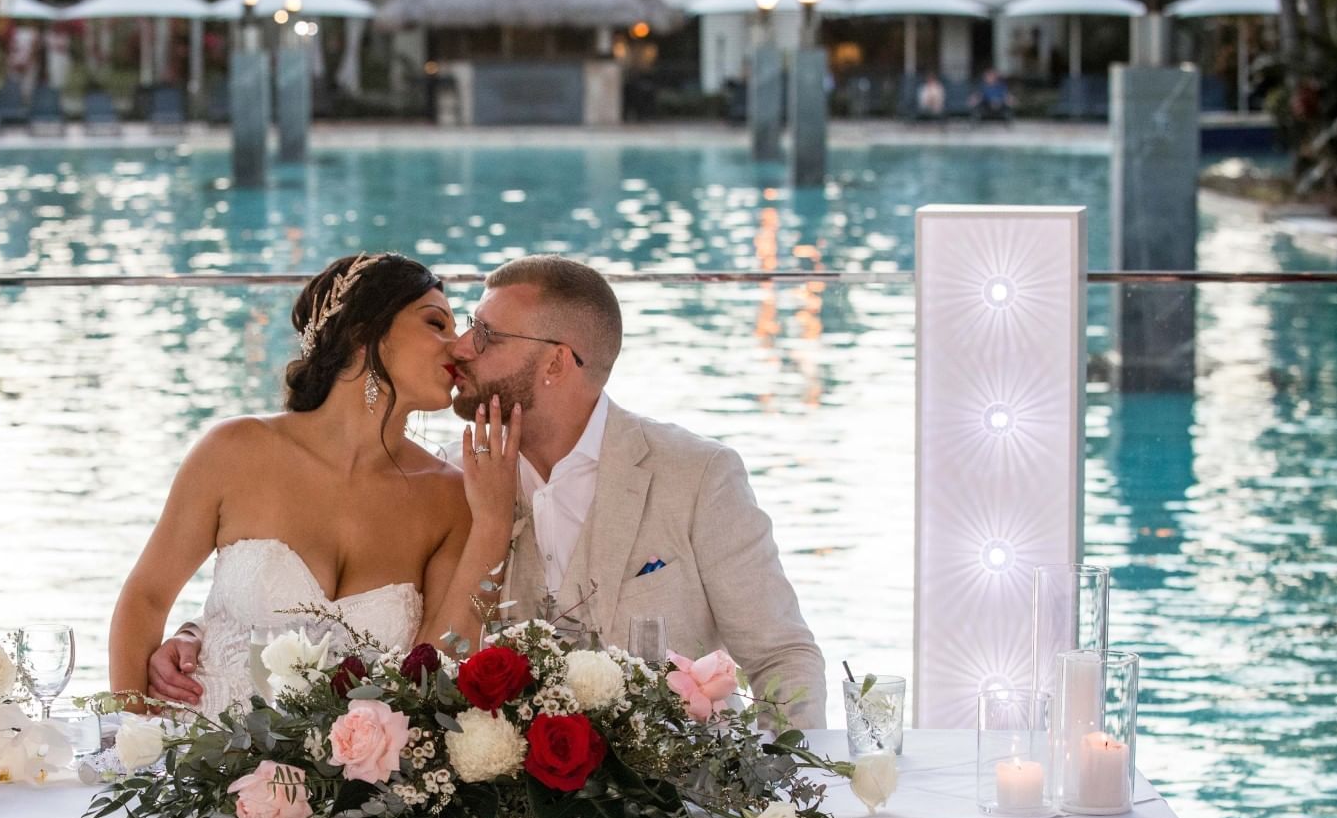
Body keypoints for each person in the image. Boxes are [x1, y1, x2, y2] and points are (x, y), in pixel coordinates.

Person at [146, 256, 828, 731]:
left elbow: (782, 657)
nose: (464, 347)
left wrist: (769, 791)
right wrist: (202, 636)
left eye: (489, 334)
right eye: (461, 324)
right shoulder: (445, 484)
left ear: (558, 362)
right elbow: (368, 622)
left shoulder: (697, 476)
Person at [107, 253, 520, 717]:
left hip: (354, 784)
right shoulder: (234, 450)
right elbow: (146, 599)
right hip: (192, 761)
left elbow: (438, 669)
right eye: (435, 324)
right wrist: (129, 746)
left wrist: (493, 522)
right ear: (365, 333)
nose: (460, 346)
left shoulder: (449, 496)